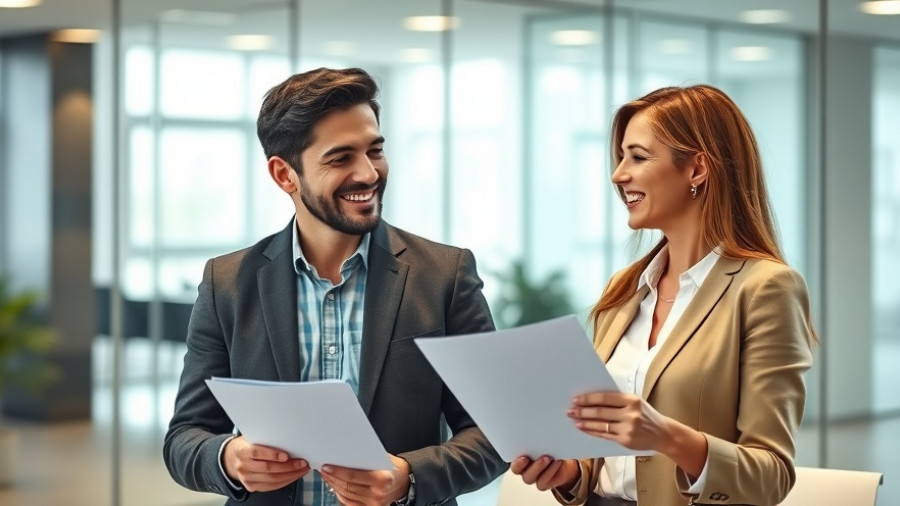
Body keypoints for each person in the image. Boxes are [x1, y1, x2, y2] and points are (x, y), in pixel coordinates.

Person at [163, 67, 507, 506]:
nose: (368, 173)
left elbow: (496, 430)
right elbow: (184, 439)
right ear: (285, 175)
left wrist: (408, 478)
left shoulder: (444, 274)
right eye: (340, 158)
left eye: (375, 151)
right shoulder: (227, 283)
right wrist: (229, 457)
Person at [510, 85, 816, 506]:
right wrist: (568, 473)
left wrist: (665, 436)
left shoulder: (766, 287)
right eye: (620, 158)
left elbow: (771, 478)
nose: (619, 174)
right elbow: (605, 459)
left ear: (696, 169)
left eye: (637, 156)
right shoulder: (625, 289)